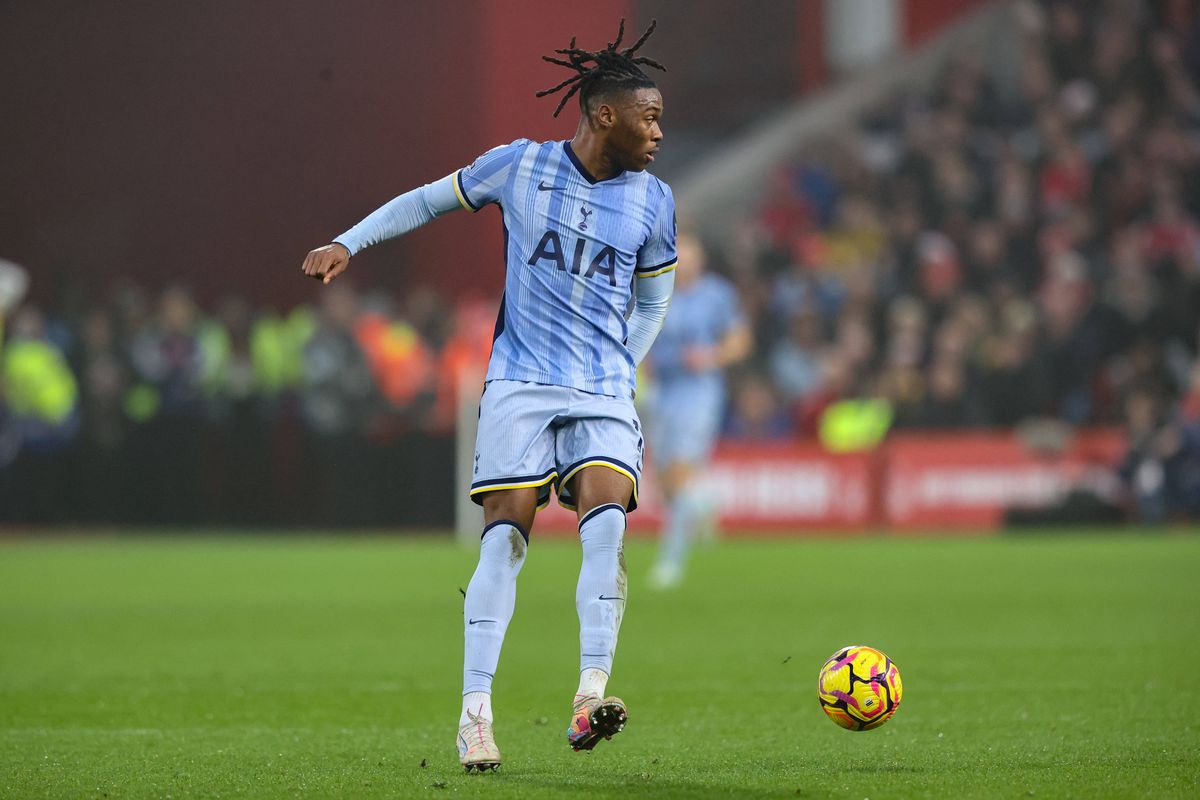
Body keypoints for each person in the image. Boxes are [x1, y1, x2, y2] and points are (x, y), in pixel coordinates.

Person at [300, 20, 675, 772]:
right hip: (521, 383)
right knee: (507, 532)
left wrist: (618, 368)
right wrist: (348, 240)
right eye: (650, 115)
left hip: (601, 389)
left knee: (607, 522)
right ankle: (476, 714)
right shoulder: (520, 167)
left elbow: (653, 301)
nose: (659, 131)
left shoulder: (656, 200)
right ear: (605, 114)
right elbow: (425, 201)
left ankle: (589, 694)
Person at [644, 234, 750, 588]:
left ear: (701, 261)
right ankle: (704, 504)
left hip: (699, 392)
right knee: (665, 486)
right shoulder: (656, 289)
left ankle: (670, 565)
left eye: (691, 257)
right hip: (663, 392)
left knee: (679, 475)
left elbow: (739, 341)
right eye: (680, 257)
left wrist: (710, 357)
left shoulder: (717, 295)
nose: (685, 264)